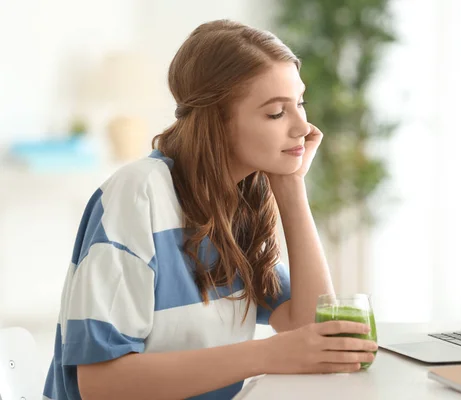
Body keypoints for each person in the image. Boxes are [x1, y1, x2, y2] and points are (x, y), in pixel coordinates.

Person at [42, 19, 377, 400]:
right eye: (275, 113)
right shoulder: (139, 194)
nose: (304, 126)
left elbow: (308, 325)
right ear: (216, 122)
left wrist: (291, 185)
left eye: (299, 102)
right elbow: (101, 385)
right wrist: (266, 354)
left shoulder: (237, 206)